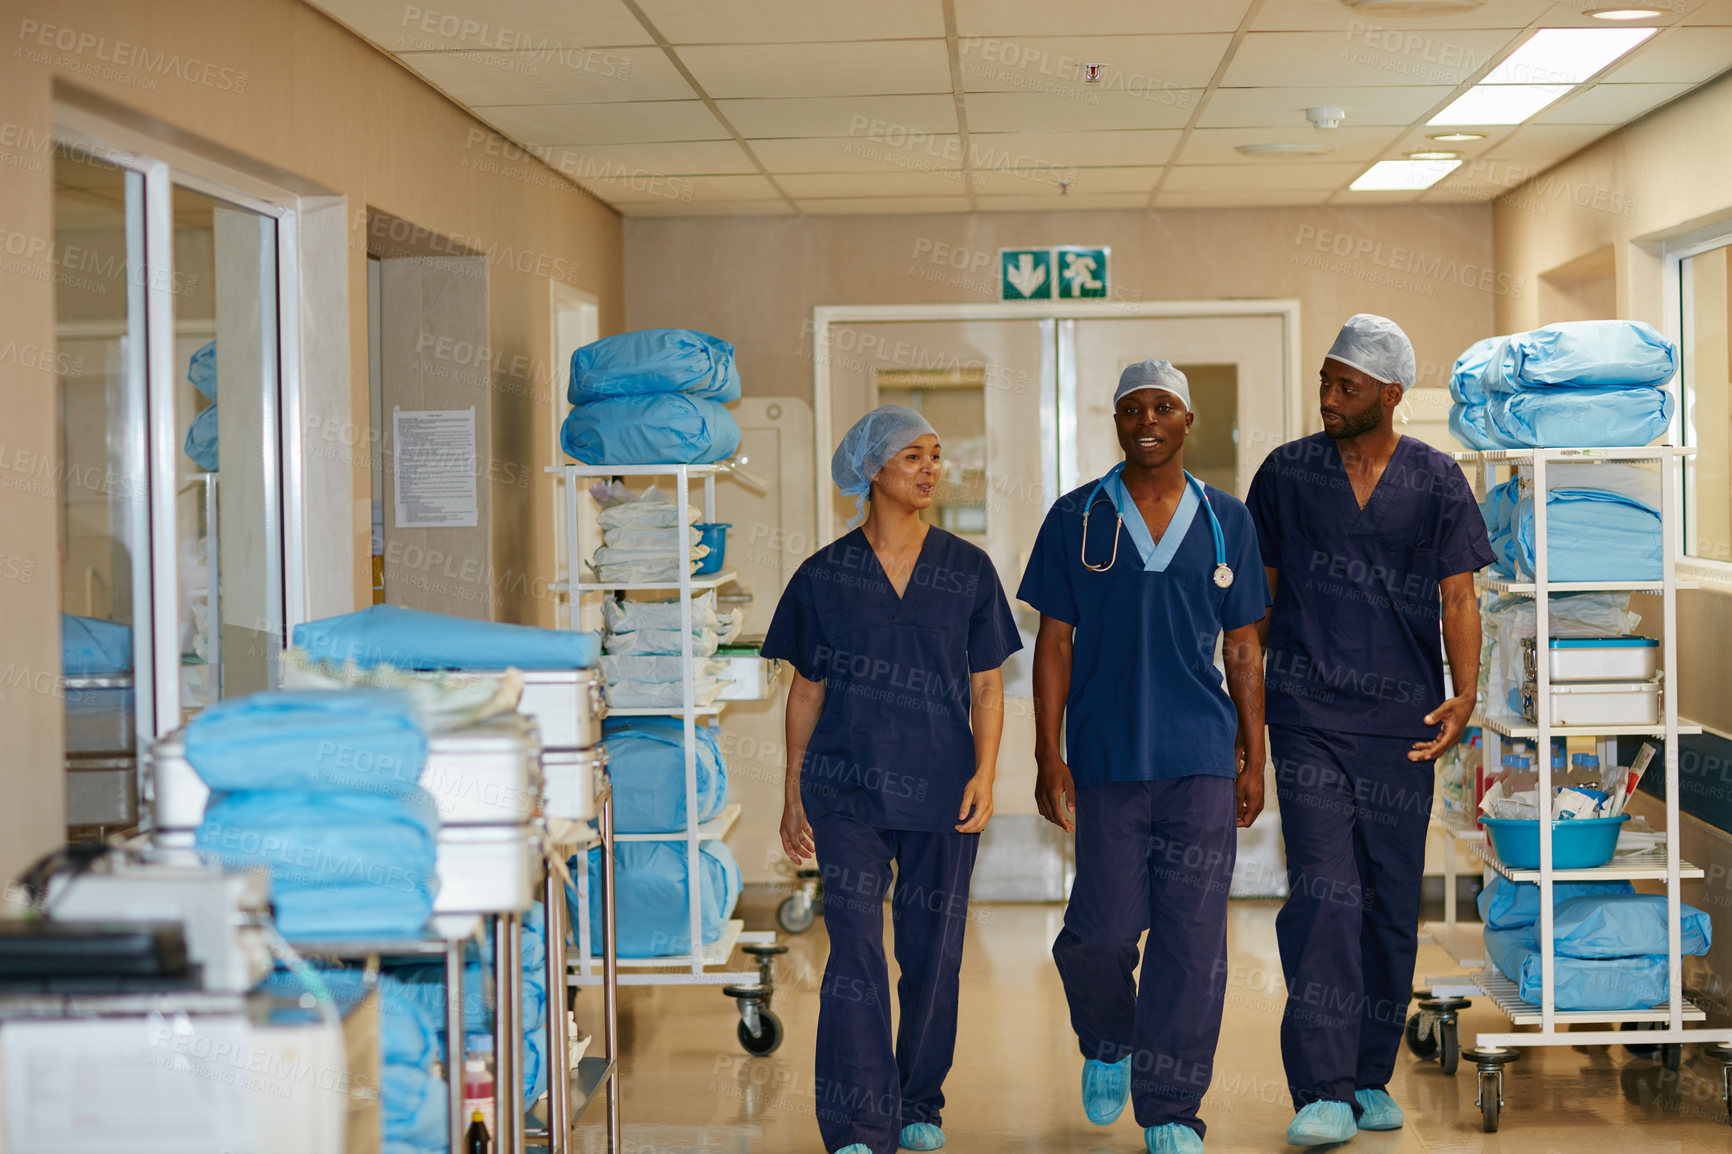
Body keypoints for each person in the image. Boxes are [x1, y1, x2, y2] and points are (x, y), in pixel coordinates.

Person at [1247, 315, 1495, 1146]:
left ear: (1391, 395)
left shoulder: (1434, 479)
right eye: (1323, 381)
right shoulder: (1286, 474)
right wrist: (1253, 707)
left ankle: (1366, 1075)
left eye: (1344, 386)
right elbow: (1257, 599)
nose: (1327, 398)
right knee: (1324, 894)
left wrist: (1465, 696)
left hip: (1403, 721)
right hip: (1308, 712)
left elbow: (1460, 596)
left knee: (1389, 900)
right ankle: (1319, 1087)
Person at [1018, 361, 1269, 1154]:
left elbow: (1244, 646)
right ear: (1116, 421)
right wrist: (1046, 754)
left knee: (1193, 941)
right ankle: (1107, 1039)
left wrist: (1255, 755)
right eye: (1133, 409)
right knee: (1102, 931)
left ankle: (1169, 1109)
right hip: (1105, 754)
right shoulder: (1077, 518)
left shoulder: (1228, 521)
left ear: (1188, 420)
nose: (1148, 420)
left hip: (1199, 753)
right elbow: (1053, 641)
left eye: (1164, 407)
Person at [760, 404, 1022, 1154]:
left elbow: (988, 688)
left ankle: (918, 1102)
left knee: (932, 952)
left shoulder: (966, 569)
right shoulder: (823, 576)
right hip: (846, 789)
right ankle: (857, 1123)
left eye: (936, 456)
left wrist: (985, 773)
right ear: (871, 469)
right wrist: (791, 790)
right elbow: (805, 690)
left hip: (942, 786)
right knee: (855, 951)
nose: (931, 469)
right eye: (914, 456)